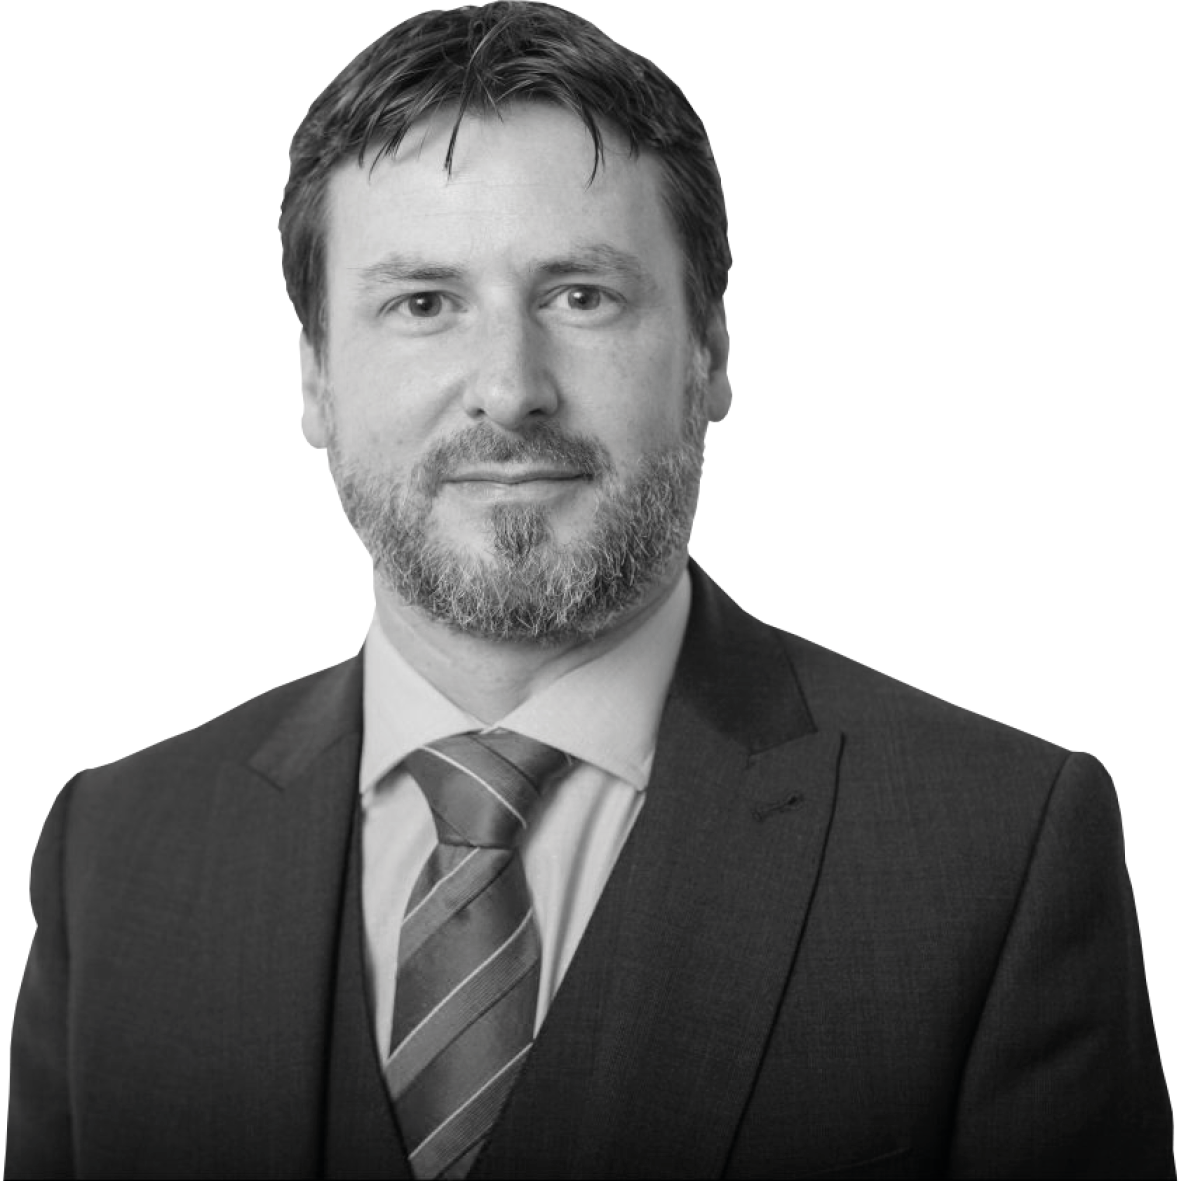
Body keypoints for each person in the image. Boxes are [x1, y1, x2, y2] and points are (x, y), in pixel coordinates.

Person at [5, 2, 1174, 1177]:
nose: (509, 390)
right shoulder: (115, 856)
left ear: (708, 350)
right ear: (314, 376)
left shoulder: (996, 853)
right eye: (422, 302)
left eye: (580, 296)